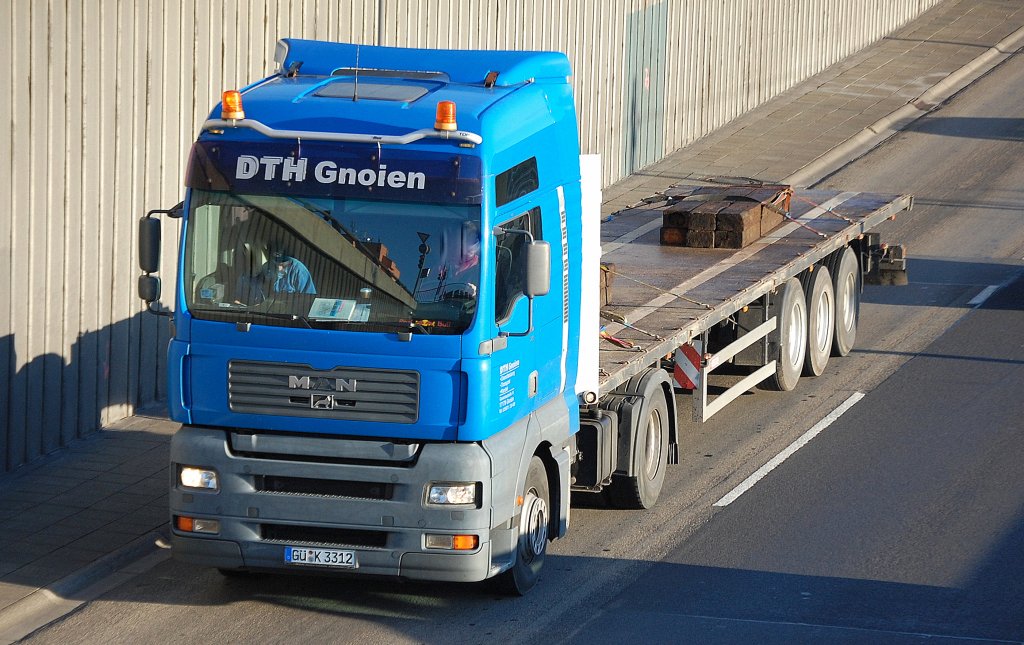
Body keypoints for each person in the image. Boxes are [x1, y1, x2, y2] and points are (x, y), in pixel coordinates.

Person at [235, 248, 316, 304]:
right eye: (275, 264)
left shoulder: (299, 270)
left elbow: (309, 301)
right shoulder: (265, 267)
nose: (279, 268)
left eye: (283, 265)